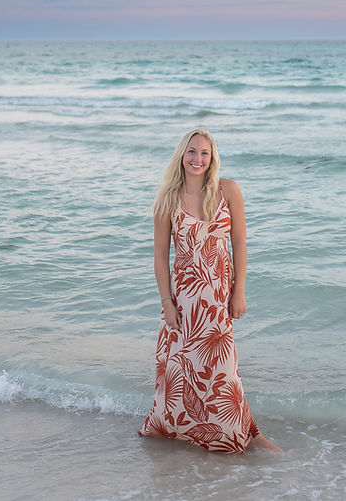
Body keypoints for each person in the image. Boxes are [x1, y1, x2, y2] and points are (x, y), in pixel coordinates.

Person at [139, 128, 280, 453]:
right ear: (182, 155)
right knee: (179, 368)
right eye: (192, 152)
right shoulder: (167, 199)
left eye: (204, 153)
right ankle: (174, 432)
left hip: (217, 297)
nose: (197, 159)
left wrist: (238, 291)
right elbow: (160, 257)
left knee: (222, 370)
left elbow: (240, 243)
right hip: (184, 299)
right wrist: (167, 302)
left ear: (212, 157)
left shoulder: (228, 190)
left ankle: (245, 435)